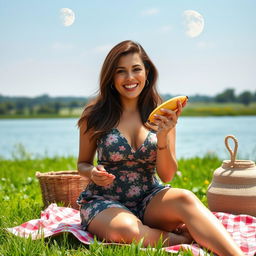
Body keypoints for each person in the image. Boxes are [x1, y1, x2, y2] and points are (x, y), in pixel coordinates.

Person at [77, 40, 244, 256]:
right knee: (125, 229)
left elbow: (166, 176)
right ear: (111, 77)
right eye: (121, 71)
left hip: (149, 197)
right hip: (104, 201)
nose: (130, 78)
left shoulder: (163, 113)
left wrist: (163, 135)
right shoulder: (95, 114)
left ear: (147, 72)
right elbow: (82, 163)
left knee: (185, 198)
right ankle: (181, 238)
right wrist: (92, 172)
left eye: (136, 69)